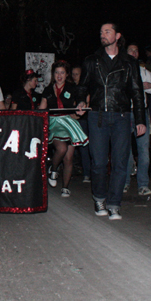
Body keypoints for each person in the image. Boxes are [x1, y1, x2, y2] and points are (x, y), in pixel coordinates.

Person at [76, 23, 146, 221]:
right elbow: (82, 87)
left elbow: (137, 93)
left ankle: (114, 203)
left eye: (107, 32)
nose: (103, 35)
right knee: (98, 162)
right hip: (97, 115)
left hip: (122, 116)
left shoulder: (129, 62)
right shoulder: (92, 60)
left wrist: (140, 119)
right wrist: (81, 101)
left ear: (117, 35)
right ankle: (99, 198)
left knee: (120, 162)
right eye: (101, 32)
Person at [40, 60, 87, 198]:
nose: (59, 76)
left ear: (66, 74)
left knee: (68, 158)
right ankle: (53, 169)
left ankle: (65, 187)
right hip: (54, 123)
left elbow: (78, 106)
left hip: (69, 122)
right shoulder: (48, 90)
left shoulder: (73, 89)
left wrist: (78, 112)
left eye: (62, 73)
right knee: (61, 148)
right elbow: (42, 109)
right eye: (56, 73)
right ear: (53, 74)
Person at [125, 43, 151, 196]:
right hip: (125, 113)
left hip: (141, 114)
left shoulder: (144, 72)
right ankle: (124, 182)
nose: (134, 53)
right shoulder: (121, 71)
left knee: (143, 150)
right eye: (130, 50)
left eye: (136, 50)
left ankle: (143, 185)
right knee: (124, 150)